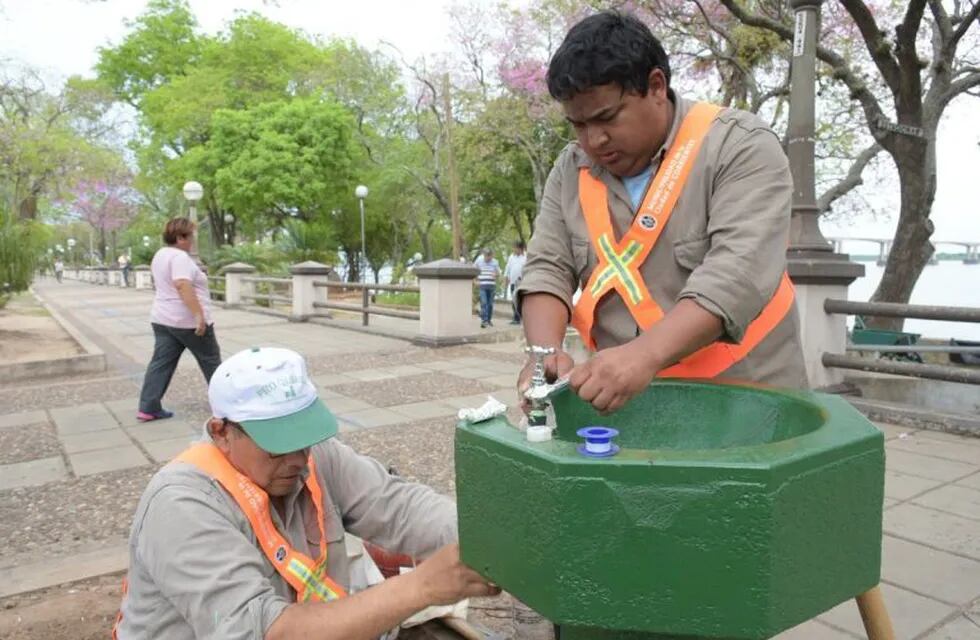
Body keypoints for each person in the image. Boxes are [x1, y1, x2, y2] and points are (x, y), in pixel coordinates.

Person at [517, 11, 807, 416]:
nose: (594, 140)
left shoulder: (740, 146)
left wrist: (644, 355)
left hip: (746, 403)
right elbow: (548, 266)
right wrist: (543, 356)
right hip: (630, 408)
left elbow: (736, 275)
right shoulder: (571, 170)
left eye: (606, 118)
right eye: (578, 125)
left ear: (656, 86)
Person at [113, 347, 499, 640]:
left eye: (304, 438)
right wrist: (423, 586)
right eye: (277, 444)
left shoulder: (312, 457)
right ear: (221, 432)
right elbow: (267, 630)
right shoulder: (181, 504)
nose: (297, 458)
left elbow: (397, 507)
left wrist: (494, 542)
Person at [136, 217, 221, 422]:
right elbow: (182, 284)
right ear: (181, 237)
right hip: (186, 322)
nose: (193, 240)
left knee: (161, 363)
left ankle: (148, 407)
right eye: (191, 236)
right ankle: (227, 406)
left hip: (163, 319)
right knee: (211, 362)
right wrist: (198, 315)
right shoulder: (180, 258)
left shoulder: (160, 255)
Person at [474, 247, 500, 328]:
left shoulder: (495, 262)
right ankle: (484, 321)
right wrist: (475, 281)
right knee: (484, 302)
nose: (487, 258)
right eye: (486, 256)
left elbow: (498, 272)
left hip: (491, 286)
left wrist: (495, 274)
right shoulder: (479, 260)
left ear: (492, 256)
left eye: (489, 256)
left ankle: (488, 320)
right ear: (483, 255)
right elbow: (473, 270)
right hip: (482, 285)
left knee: (490, 304)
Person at [503, 240, 527, 325]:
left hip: (522, 282)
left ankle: (522, 318)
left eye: (516, 248)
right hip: (513, 282)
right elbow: (508, 268)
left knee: (522, 301)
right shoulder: (511, 257)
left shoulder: (526, 257)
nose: (514, 249)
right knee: (514, 301)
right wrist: (506, 278)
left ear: (521, 248)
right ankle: (516, 318)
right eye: (514, 248)